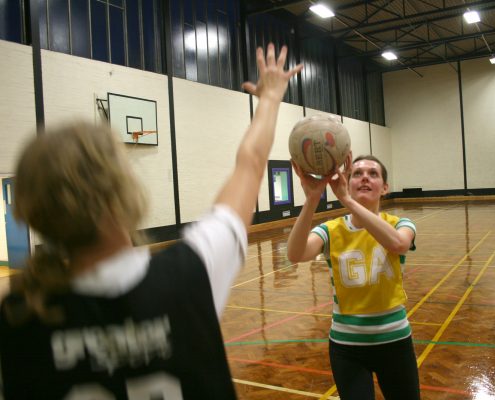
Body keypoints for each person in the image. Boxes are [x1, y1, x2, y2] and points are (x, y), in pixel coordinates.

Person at [0, 44, 302, 400]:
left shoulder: (16, 318)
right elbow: (251, 162)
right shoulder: (192, 273)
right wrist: (269, 99)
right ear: (120, 190)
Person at [287, 154, 420, 400]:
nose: (364, 178)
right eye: (357, 174)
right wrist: (311, 199)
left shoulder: (401, 223)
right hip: (346, 347)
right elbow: (295, 254)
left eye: (373, 173)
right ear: (348, 182)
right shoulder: (330, 230)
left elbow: (399, 244)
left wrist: (346, 199)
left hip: (394, 341)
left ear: (385, 188)